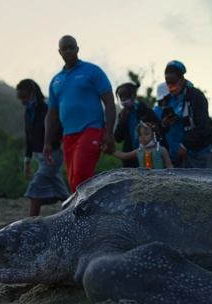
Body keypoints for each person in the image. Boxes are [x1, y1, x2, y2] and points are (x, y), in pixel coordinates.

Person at [43, 35, 116, 192]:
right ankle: (86, 214)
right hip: (68, 135)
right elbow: (52, 114)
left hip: (92, 129)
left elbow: (109, 102)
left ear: (77, 49)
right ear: (59, 52)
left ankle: (89, 213)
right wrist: (47, 142)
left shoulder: (92, 71)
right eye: (65, 48)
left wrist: (109, 133)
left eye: (71, 47)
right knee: (73, 181)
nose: (68, 51)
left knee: (81, 175)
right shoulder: (56, 80)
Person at [16, 79, 69, 216]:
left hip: (53, 155)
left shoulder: (47, 110)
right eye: (20, 98)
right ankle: (74, 211)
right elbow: (29, 137)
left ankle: (31, 223)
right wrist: (27, 161)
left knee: (35, 187)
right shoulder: (28, 113)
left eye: (25, 97)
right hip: (39, 156)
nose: (23, 101)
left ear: (33, 93)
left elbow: (59, 130)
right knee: (61, 191)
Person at [159, 60, 212, 168]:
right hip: (176, 156)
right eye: (168, 83)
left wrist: (184, 146)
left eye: (174, 83)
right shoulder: (167, 100)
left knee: (203, 183)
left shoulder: (195, 96)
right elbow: (163, 125)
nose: (171, 87)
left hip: (199, 153)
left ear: (181, 79)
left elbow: (203, 126)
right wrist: (164, 123)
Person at [113, 82, 160, 168]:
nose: (123, 99)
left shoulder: (145, 110)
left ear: (133, 95)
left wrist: (152, 126)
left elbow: (158, 127)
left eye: (126, 96)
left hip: (147, 153)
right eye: (121, 97)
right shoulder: (122, 115)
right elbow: (118, 138)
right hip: (130, 157)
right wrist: (122, 121)